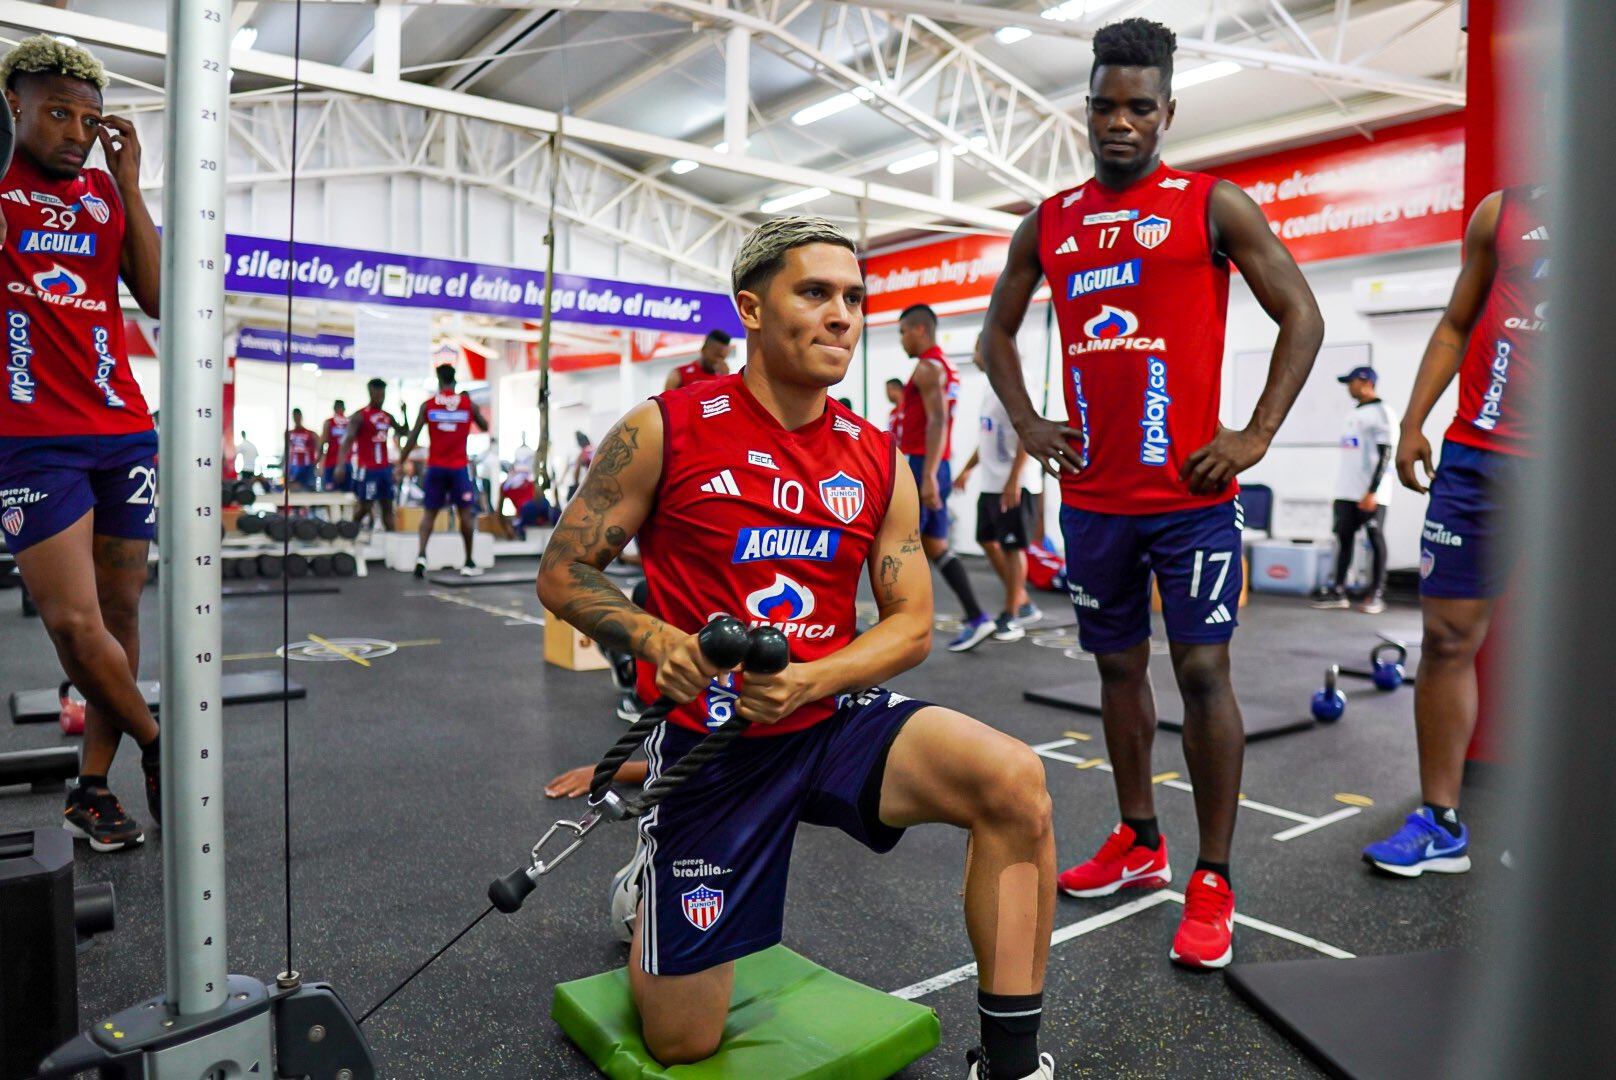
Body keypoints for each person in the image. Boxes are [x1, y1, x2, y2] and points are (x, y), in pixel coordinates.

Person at [538, 216, 1056, 1080]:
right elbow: (563, 572)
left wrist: (815, 680)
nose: (841, 315)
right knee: (681, 1041)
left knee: (1013, 780)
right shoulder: (665, 428)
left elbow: (911, 623)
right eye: (814, 292)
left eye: (853, 297)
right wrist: (660, 640)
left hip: (826, 717)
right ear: (751, 308)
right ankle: (648, 884)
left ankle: (1011, 1064)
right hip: (713, 747)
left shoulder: (877, 456)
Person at [982, 18, 1322, 970]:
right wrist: (1029, 422)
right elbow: (995, 333)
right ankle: (1140, 840)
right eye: (1104, 106)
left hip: (1190, 496)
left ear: (1168, 111)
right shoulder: (1049, 221)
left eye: (1139, 107)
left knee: (1203, 673)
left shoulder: (1213, 206)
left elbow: (1301, 314)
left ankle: (1213, 877)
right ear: (1086, 109)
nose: (1119, 122)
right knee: (1116, 671)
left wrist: (1255, 434)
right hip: (1095, 501)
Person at [0, 36, 164, 851]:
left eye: (89, 119)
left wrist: (129, 183)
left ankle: (92, 786)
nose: (76, 131)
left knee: (121, 611)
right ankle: (160, 745)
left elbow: (157, 295)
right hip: (32, 439)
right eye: (58, 112)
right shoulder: (2, 189)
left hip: (122, 429)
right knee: (72, 622)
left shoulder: (103, 193)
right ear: (14, 106)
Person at [1363, 184, 1545, 878]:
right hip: (1477, 456)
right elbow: (1455, 323)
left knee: (1585, 652)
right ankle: (1439, 822)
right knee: (1445, 638)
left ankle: (1574, 824)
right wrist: (1413, 421)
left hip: (1577, 461)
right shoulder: (1504, 211)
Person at [895, 303, 993, 651]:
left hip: (924, 463)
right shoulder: (945, 366)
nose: (902, 340)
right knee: (934, 545)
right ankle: (977, 617)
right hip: (935, 463)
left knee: (900, 542)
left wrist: (929, 476)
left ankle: (903, 626)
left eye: (903, 332)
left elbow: (937, 421)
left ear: (920, 330)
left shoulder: (927, 368)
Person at [954, 343, 1041, 642]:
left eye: (978, 349)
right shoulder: (992, 387)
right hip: (992, 482)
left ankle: (1012, 616)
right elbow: (988, 437)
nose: (974, 356)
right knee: (987, 540)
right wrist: (967, 469)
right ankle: (1023, 601)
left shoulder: (1019, 381)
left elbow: (1028, 433)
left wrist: (1014, 480)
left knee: (1012, 548)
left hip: (1014, 483)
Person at [1313, 366, 1396, 614]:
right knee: (1344, 539)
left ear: (1365, 382)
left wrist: (1373, 491)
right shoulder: (1355, 413)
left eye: (1351, 382)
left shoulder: (1382, 412)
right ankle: (1338, 591)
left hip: (1370, 493)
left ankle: (1376, 594)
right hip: (1346, 491)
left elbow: (1386, 454)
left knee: (1375, 539)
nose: (1349, 387)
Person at [397, 364, 489, 578]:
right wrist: (469, 408)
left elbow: (413, 436)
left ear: (438, 382)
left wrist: (400, 461)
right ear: (454, 381)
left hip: (436, 468)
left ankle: (421, 557)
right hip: (458, 469)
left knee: (429, 514)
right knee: (465, 514)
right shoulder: (467, 404)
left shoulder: (428, 405)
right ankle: (468, 562)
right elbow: (484, 426)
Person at [335, 378, 400, 532]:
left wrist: (404, 413)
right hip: (368, 470)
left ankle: (392, 539)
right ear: (371, 393)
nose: (381, 398)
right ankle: (349, 530)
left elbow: (404, 431)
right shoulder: (360, 416)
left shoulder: (387, 416)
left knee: (387, 506)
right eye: (378, 394)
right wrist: (340, 465)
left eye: (383, 394)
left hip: (385, 469)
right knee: (366, 506)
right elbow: (347, 441)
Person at [663, 328, 732, 390]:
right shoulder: (679, 374)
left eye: (722, 357)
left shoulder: (723, 377)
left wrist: (725, 380)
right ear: (703, 349)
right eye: (715, 355)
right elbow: (665, 399)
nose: (718, 360)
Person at [318, 398, 350, 492]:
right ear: (344, 409)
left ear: (334, 408)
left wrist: (318, 461)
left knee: (330, 493)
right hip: (346, 463)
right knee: (346, 493)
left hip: (332, 463)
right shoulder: (350, 422)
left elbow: (322, 443)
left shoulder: (329, 422)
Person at [284, 407, 319, 491]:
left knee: (309, 489)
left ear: (301, 417)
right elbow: (286, 450)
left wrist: (317, 464)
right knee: (294, 488)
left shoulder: (312, 433)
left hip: (308, 466)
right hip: (294, 466)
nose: (297, 418)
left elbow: (319, 449)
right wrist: (285, 467)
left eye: (298, 416)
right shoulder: (288, 433)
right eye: (295, 416)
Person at [565, 430, 593, 502]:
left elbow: (576, 470)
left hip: (586, 484)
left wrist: (576, 483)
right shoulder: (592, 449)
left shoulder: (583, 453)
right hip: (592, 482)